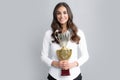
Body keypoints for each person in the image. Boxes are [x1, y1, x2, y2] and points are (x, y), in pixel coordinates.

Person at [41, 2, 89, 80]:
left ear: (69, 14)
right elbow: (43, 56)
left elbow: (85, 56)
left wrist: (72, 64)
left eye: (65, 13)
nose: (62, 16)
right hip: (54, 77)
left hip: (74, 76)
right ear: (55, 16)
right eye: (58, 13)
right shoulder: (48, 34)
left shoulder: (78, 33)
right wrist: (56, 64)